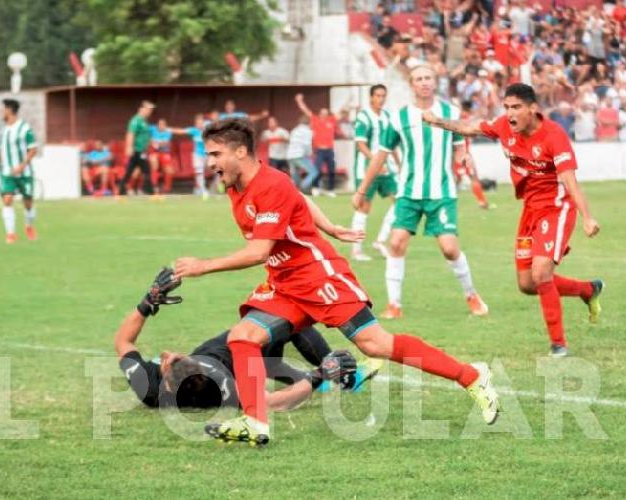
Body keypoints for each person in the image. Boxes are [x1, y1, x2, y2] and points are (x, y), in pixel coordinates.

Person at [172, 119, 500, 446]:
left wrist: (203, 266)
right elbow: (298, 196)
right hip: (285, 283)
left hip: (319, 276)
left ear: (240, 151)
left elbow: (259, 251)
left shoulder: (271, 185)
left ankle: (471, 376)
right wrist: (329, 226)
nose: (210, 162)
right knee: (243, 336)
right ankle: (256, 422)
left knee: (375, 344)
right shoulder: (239, 183)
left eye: (215, 154)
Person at [422, 83, 604, 357]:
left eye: (516, 107)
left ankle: (559, 345)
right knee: (528, 284)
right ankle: (587, 289)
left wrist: (588, 218)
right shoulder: (504, 127)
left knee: (541, 273)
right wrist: (436, 121)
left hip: (555, 209)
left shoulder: (554, 136)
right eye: (506, 107)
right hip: (530, 209)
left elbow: (570, 181)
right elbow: (470, 128)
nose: (509, 113)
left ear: (533, 109)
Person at [114, 268, 379, 410]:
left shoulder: (150, 389)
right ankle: (347, 378)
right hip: (246, 350)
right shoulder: (225, 389)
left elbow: (123, 342)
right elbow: (272, 403)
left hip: (245, 357)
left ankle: (312, 379)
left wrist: (147, 304)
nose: (171, 358)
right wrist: (320, 373)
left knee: (273, 360)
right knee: (291, 321)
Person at [354, 66, 490, 320]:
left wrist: (465, 158)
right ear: (411, 84)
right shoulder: (398, 118)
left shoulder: (450, 112)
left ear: (435, 82)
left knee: (449, 248)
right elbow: (380, 156)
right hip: (408, 192)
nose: (424, 83)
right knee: (395, 243)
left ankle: (471, 294)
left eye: (428, 78)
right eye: (418, 79)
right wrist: (362, 189)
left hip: (442, 192)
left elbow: (459, 148)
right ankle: (394, 304)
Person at [349, 84, 401, 262]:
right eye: (377, 95)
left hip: (386, 169)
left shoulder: (387, 117)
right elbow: (360, 144)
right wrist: (375, 161)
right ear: (371, 97)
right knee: (364, 207)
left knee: (399, 201)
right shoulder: (363, 117)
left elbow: (391, 143)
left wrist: (399, 163)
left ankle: (380, 241)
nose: (381, 99)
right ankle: (356, 250)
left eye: (383, 96)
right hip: (367, 169)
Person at [0, 99, 39, 244]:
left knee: (28, 203)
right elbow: (1, 152)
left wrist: (22, 166)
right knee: (7, 200)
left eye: (3, 109)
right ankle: (10, 234)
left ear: (9, 110)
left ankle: (29, 227)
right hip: (7, 173)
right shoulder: (3, 131)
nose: (1, 112)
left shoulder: (24, 128)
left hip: (24, 173)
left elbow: (33, 149)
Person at [119, 101, 157, 196]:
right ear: (141, 109)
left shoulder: (144, 121)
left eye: (151, 110)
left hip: (142, 150)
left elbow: (145, 135)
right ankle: (150, 191)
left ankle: (121, 190)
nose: (150, 112)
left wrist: (151, 142)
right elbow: (130, 134)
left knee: (129, 171)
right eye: (148, 109)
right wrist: (129, 147)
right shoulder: (135, 120)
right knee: (146, 170)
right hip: (137, 150)